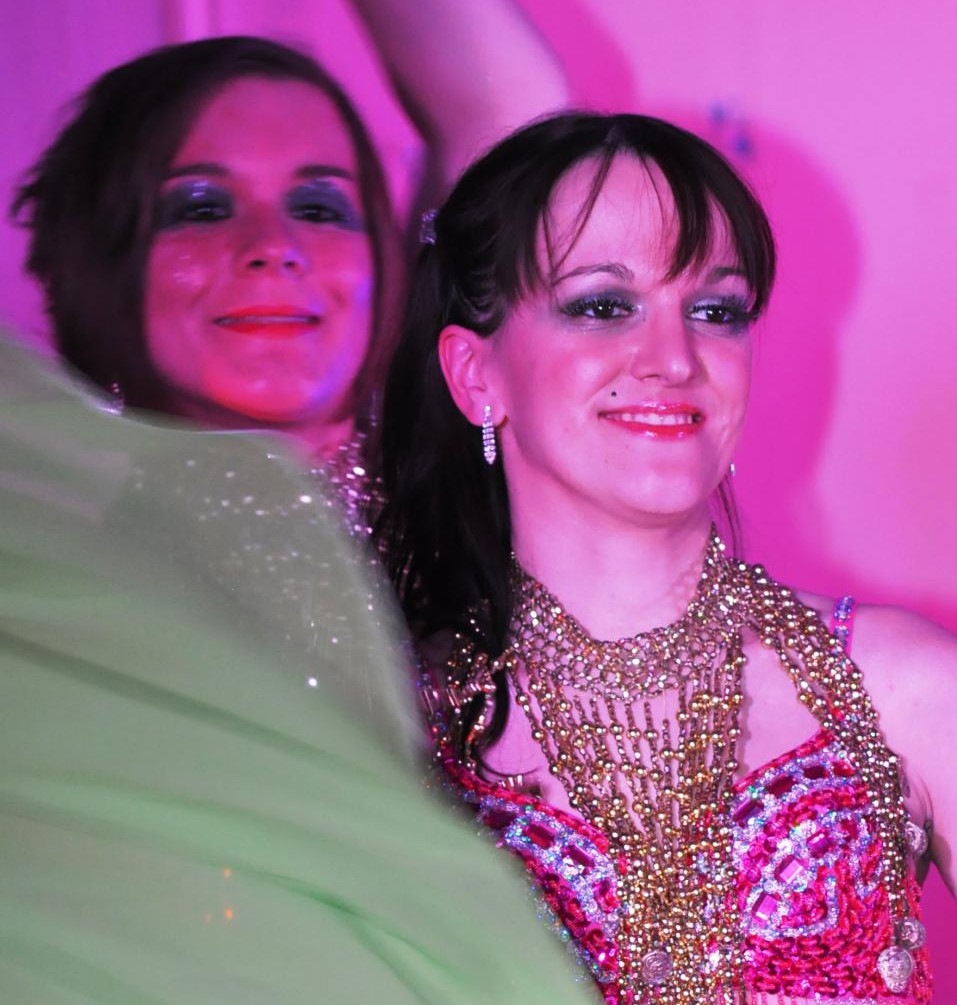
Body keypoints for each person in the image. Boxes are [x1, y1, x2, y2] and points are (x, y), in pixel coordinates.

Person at [377, 111, 957, 1004]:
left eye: (713, 311)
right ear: (474, 374)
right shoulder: (388, 729)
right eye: (602, 306)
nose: (674, 358)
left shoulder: (898, 690)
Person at [0, 332, 596, 1005]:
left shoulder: (467, 578)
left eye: (319, 217)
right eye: (200, 217)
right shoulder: (71, 581)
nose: (269, 271)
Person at [9, 0, 566, 503]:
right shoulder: (45, 537)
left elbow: (509, 113)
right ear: (96, 259)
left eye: (318, 209)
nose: (274, 245)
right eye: (203, 210)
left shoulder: (450, 475)